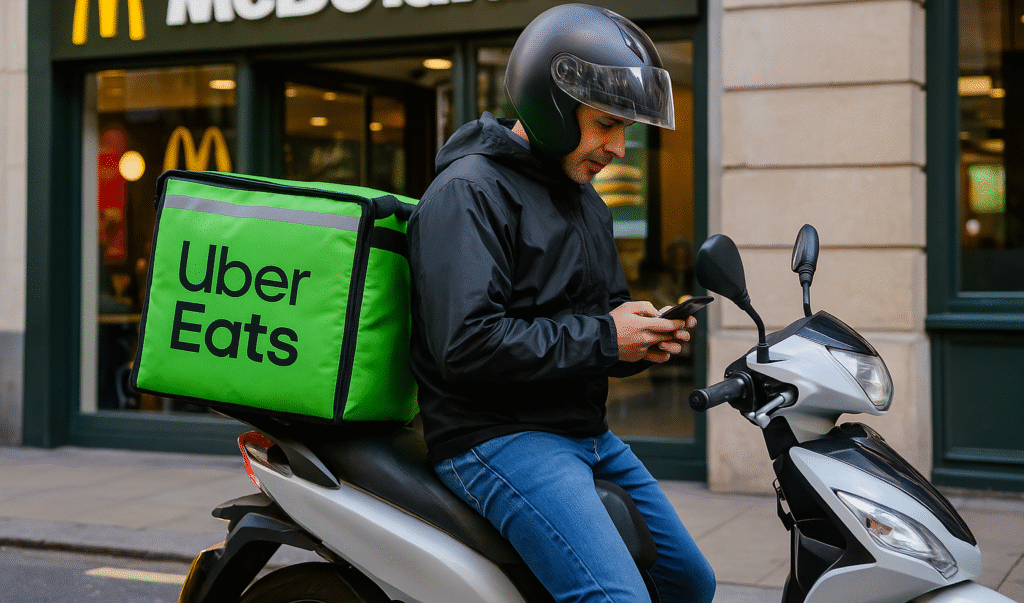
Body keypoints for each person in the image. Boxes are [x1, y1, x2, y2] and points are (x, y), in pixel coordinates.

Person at [407, 4, 716, 602]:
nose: (620, 147)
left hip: (585, 431)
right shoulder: (469, 192)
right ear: (550, 110)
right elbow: (466, 345)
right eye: (605, 125)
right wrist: (608, 338)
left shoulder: (583, 198)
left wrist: (639, 341)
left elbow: (601, 319)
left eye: (625, 129)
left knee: (687, 582)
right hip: (495, 436)